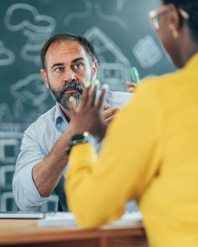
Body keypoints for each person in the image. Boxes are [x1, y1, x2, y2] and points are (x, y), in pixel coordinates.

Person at [65, 0, 198, 246]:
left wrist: (79, 136)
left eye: (157, 19)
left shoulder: (158, 98)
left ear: (174, 18)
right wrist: (112, 137)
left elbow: (91, 208)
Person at [13, 32, 133, 211]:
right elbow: (25, 199)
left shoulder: (133, 106)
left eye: (77, 65)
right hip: (78, 234)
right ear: (45, 78)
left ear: (93, 69)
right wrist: (74, 133)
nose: (70, 76)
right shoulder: (38, 133)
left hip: (138, 231)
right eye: (59, 69)